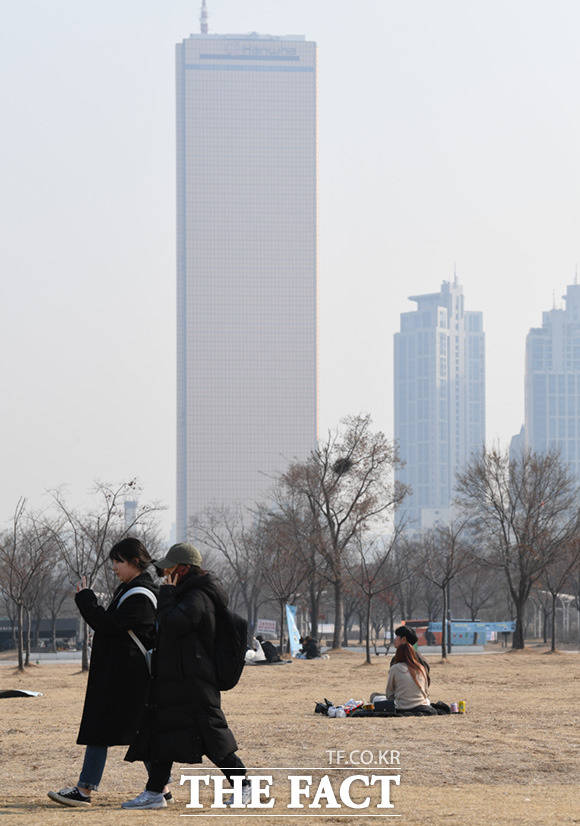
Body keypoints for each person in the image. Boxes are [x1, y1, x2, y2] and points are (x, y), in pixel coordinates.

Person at [122, 543, 251, 810]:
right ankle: (155, 792)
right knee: (162, 732)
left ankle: (244, 786)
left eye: (168, 567)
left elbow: (172, 624)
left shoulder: (199, 597)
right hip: (176, 679)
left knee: (212, 736)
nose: (163, 573)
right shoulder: (187, 593)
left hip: (194, 682)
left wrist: (167, 593)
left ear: (182, 568)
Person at [48, 537, 161, 808]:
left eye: (118, 561)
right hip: (124, 676)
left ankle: (84, 790)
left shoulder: (141, 596)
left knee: (103, 729)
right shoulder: (133, 589)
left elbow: (108, 626)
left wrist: (86, 600)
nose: (114, 567)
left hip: (126, 678)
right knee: (139, 731)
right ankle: (161, 787)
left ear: (135, 561)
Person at [385, 632, 431, 712]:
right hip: (421, 705)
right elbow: (426, 691)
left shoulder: (395, 668)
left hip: (401, 706)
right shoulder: (420, 667)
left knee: (376, 698)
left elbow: (389, 693)